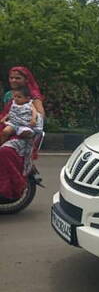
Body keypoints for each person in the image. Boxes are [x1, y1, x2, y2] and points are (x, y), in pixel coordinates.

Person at [0, 67, 45, 200]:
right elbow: (7, 113)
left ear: (26, 79)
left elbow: (40, 116)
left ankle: (8, 189)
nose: (13, 80)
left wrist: (27, 125)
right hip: (8, 125)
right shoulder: (10, 94)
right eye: (11, 77)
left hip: (23, 134)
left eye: (18, 78)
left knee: (4, 152)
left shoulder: (32, 95)